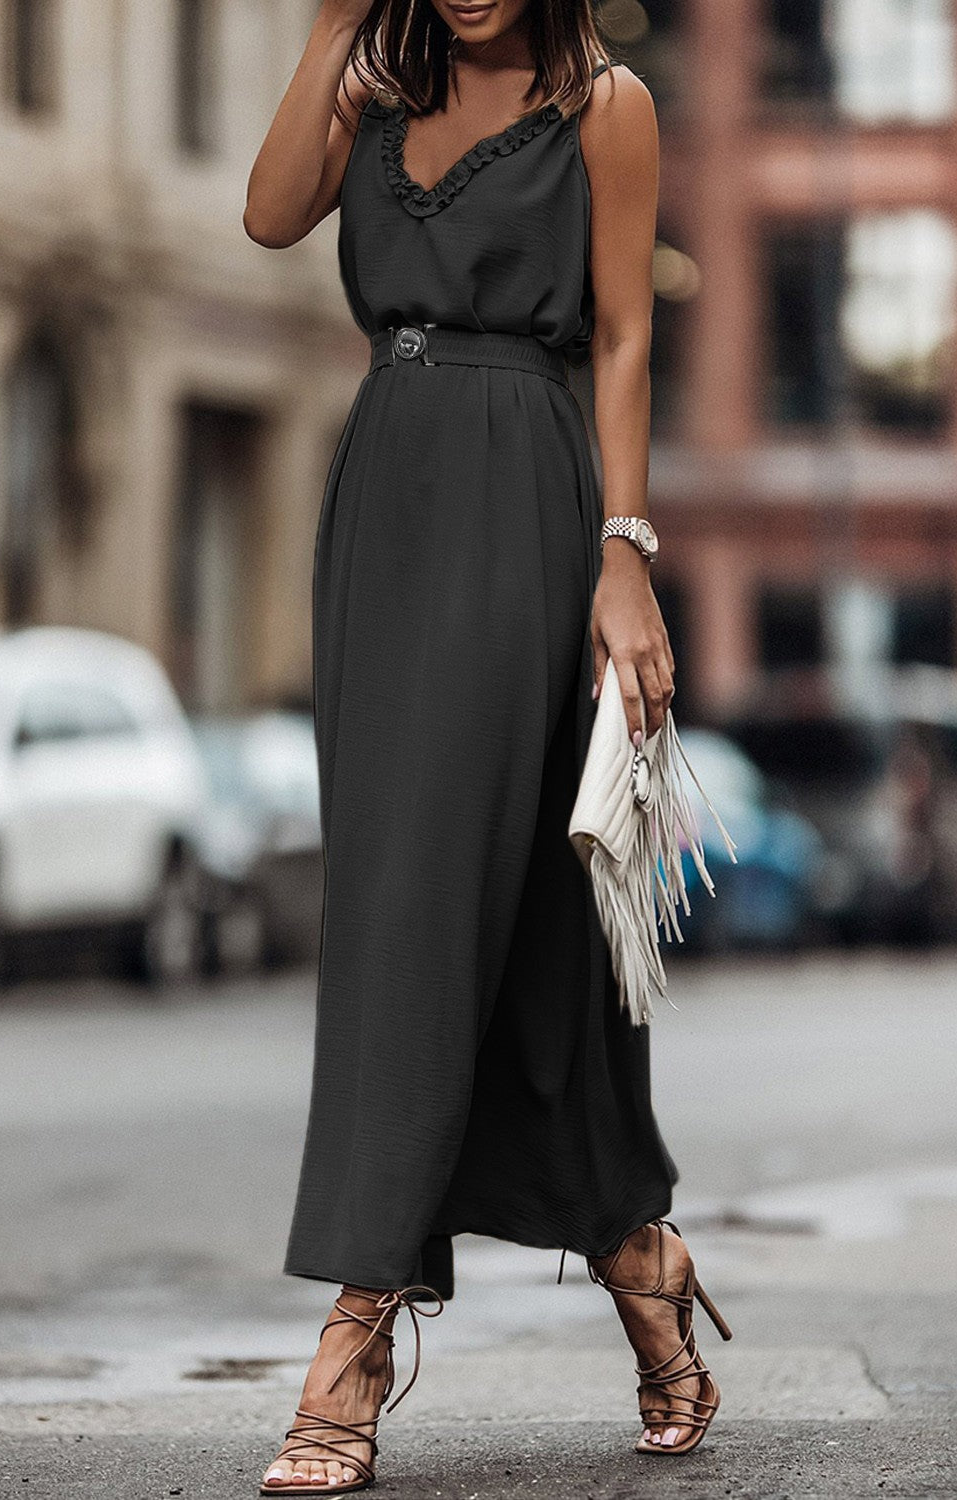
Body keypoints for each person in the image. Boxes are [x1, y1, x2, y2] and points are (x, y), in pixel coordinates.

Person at [244, 1, 731, 1491]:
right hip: (382, 492)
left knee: (412, 917)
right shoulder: (373, 82)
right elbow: (268, 218)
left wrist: (625, 554)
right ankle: (640, 1261)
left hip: (528, 487)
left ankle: (353, 1332)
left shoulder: (609, 105)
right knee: (501, 922)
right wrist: (329, 27)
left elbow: (631, 327)